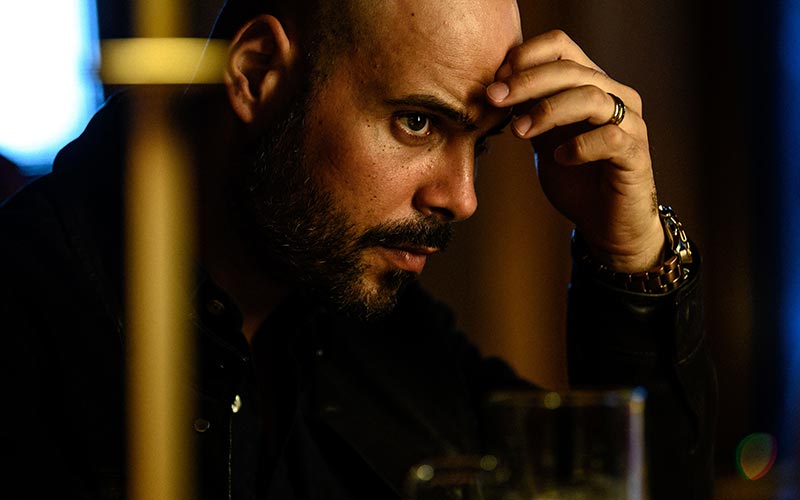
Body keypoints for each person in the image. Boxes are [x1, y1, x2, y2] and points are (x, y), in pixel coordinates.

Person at [0, 0, 716, 499]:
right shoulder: (31, 314)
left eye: (481, 144)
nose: (462, 198)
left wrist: (629, 252)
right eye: (418, 123)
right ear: (256, 72)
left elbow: (628, 482)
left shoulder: (377, 329)